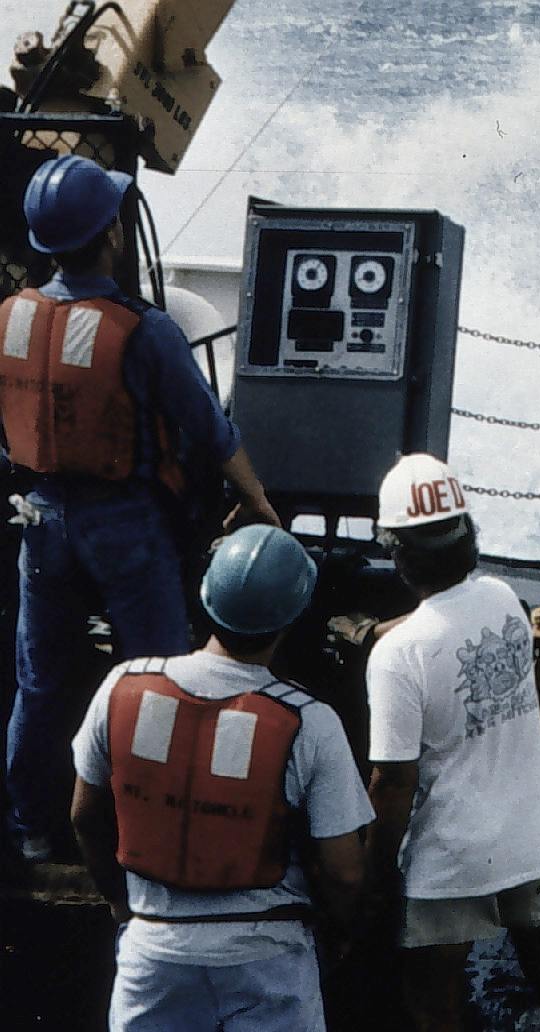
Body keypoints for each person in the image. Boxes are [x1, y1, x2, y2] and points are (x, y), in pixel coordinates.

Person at [3, 154, 279, 861]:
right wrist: (261, 507)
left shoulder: (10, 318)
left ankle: (33, 828)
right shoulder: (144, 329)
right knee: (156, 676)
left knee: (39, 683)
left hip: (38, 521)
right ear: (113, 236)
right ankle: (145, 829)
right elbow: (212, 433)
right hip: (122, 523)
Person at [69, 525, 371, 1031]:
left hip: (154, 951)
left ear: (206, 600)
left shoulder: (121, 685)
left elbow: (84, 815)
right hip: (268, 958)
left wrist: (121, 904)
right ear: (291, 619)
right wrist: (342, 935)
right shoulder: (310, 721)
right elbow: (344, 871)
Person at [364, 453, 540, 1032]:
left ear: (397, 551)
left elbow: (393, 782)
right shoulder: (507, 601)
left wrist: (373, 877)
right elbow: (453, 619)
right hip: (525, 832)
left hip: (452, 856)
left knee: (431, 998)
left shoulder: (396, 658)